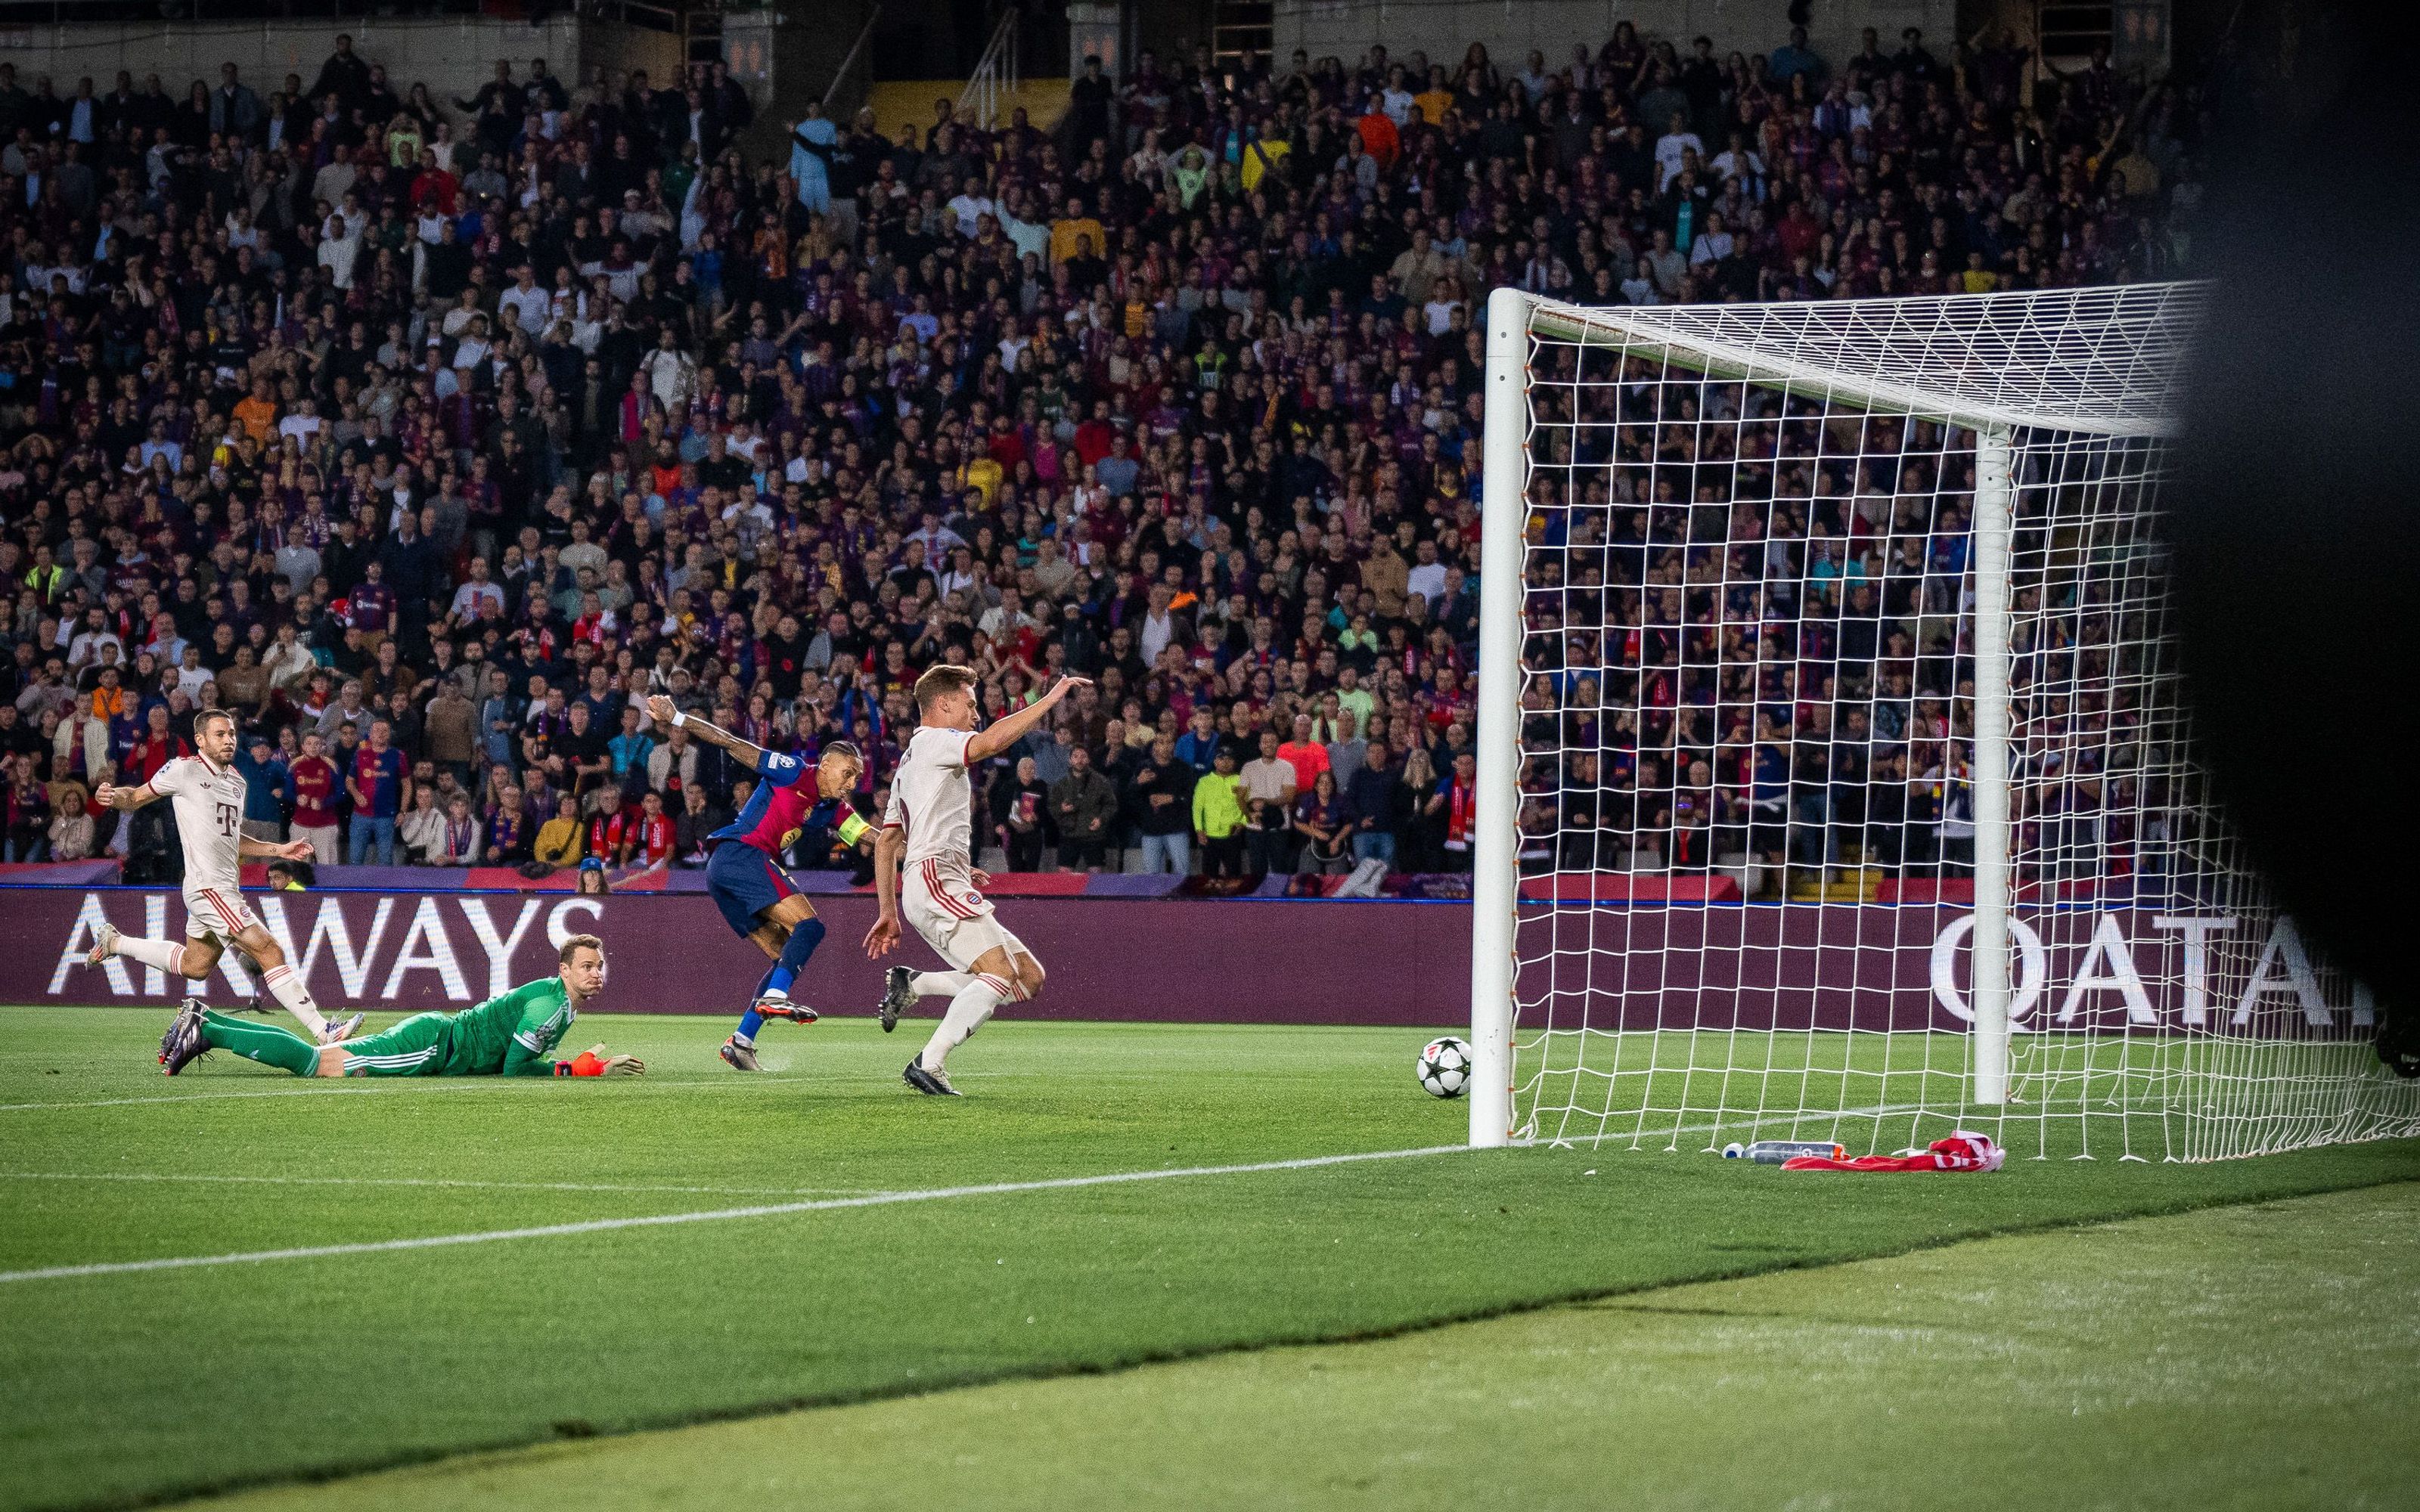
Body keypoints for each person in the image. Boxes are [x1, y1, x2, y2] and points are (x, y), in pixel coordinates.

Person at [866, 665, 1088, 1095]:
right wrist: (1051, 698)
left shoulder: (911, 759)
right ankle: (929, 1063)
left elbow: (888, 842)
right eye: (970, 704)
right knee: (1000, 972)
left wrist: (889, 911)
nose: (975, 714)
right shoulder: (935, 741)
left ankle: (916, 984)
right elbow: (992, 743)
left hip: (935, 874)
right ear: (943, 704)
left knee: (1027, 977)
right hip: (934, 877)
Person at [82, 708, 363, 1047]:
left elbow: (233, 837)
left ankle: (114, 942)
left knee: (195, 965)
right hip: (208, 888)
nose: (229, 740)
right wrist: (112, 796)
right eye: (220, 734)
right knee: (268, 949)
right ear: (200, 740)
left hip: (222, 887)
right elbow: (137, 797)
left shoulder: (237, 783)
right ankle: (324, 1030)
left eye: (231, 734)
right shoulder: (183, 770)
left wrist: (279, 849)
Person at [644, 693, 868, 1071]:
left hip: (725, 871)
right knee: (810, 927)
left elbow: (870, 837)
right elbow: (733, 744)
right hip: (742, 855)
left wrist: (932, 855)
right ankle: (777, 996)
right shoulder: (793, 771)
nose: (851, 783)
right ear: (826, 765)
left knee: (786, 954)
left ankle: (742, 1041)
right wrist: (677, 717)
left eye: (857, 777)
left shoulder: (834, 809)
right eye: (847, 773)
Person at [160, 934, 641, 1079]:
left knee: (323, 1062)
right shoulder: (549, 1006)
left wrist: (578, 1061)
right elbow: (515, 1068)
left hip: (435, 1037)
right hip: (433, 1046)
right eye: (587, 966)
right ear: (564, 970)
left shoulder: (556, 1000)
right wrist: (580, 1070)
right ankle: (212, 1030)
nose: (596, 973)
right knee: (320, 1066)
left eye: (600, 966)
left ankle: (207, 1019)